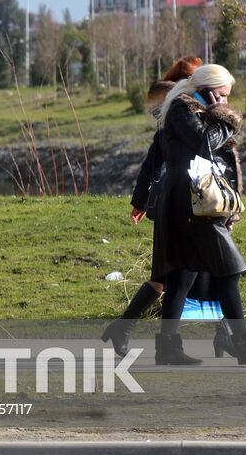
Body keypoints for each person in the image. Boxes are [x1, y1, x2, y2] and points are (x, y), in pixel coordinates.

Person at [101, 56, 238, 358]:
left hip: (197, 200)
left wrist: (140, 201)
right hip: (183, 202)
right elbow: (156, 159)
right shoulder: (183, 112)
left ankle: (220, 336)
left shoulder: (188, 110)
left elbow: (156, 160)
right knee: (186, 273)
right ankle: (209, 338)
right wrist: (141, 201)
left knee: (189, 273)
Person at [149, 63, 246, 365]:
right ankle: (244, 344)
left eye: (227, 98)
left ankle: (167, 348)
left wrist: (218, 117)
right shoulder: (182, 108)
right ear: (206, 89)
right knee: (229, 270)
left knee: (182, 277)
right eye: (221, 96)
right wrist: (226, 120)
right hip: (190, 204)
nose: (224, 102)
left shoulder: (193, 110)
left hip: (190, 202)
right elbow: (204, 144)